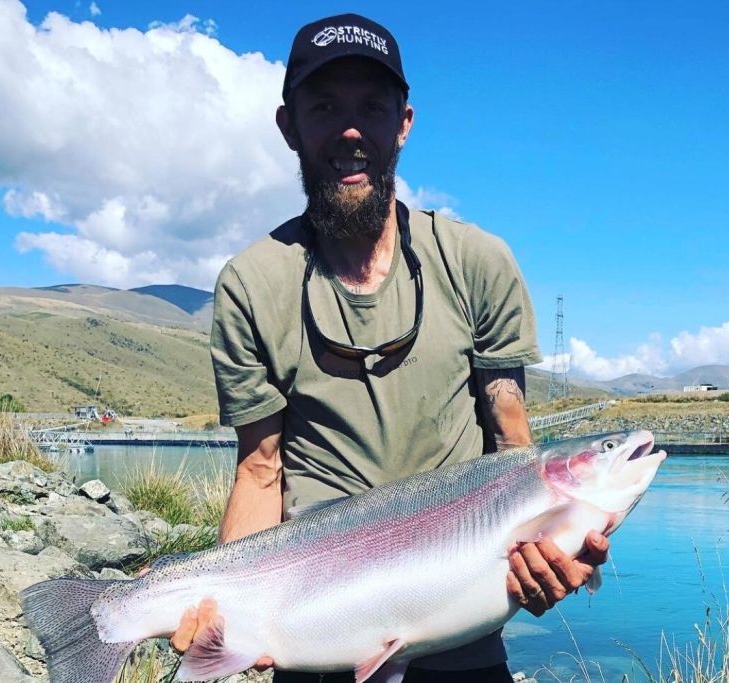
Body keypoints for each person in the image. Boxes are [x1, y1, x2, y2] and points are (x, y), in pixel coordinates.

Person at [169, 13, 611, 681]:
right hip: (315, 640)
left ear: (403, 122)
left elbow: (514, 451)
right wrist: (223, 613)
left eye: (372, 107)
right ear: (289, 125)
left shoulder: (477, 262)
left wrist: (553, 552)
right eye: (324, 106)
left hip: (462, 646)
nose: (351, 130)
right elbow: (260, 471)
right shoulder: (251, 285)